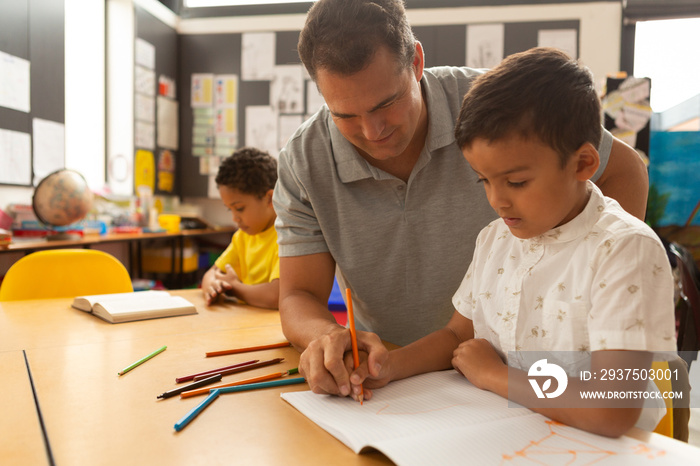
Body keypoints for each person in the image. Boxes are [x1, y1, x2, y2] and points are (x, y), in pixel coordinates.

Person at [272, 0, 650, 398]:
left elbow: (623, 168)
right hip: (431, 382)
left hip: (538, 380)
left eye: (386, 103)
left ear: (416, 62)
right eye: (345, 115)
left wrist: (598, 260)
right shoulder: (494, 239)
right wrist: (332, 339)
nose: (372, 129)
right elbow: (300, 296)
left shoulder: (495, 111)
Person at [349, 47, 678, 437]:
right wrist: (388, 366)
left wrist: (497, 376)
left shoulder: (623, 250)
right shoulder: (496, 238)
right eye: (483, 180)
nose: (497, 200)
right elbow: (458, 335)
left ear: (583, 164)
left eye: (517, 182)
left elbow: (611, 410)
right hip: (512, 436)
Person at [201, 147, 280, 309]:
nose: (234, 218)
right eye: (230, 209)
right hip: (245, 324)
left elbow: (275, 296)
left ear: (269, 198)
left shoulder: (286, 237)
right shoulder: (242, 237)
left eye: (240, 208)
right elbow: (211, 273)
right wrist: (212, 286)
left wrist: (234, 288)